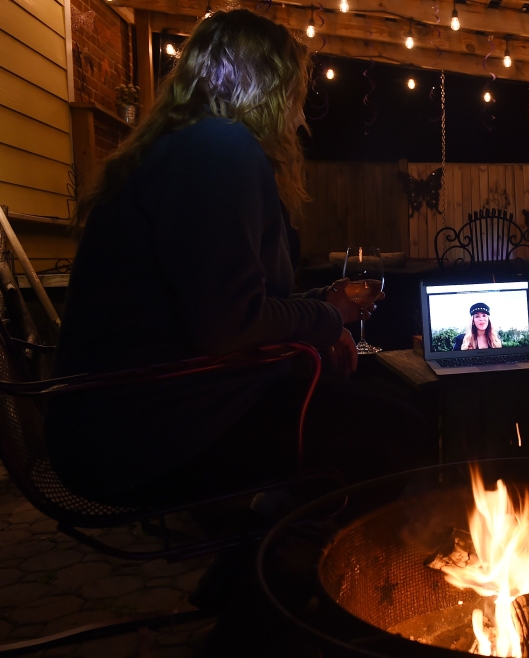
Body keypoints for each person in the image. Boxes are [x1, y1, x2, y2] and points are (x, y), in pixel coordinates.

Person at [45, 9, 434, 507]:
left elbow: (220, 303)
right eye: (296, 92)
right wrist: (327, 316)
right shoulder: (219, 146)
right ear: (267, 88)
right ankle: (266, 572)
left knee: (366, 407)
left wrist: (320, 306)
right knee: (395, 429)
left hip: (127, 417)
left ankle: (269, 546)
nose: (300, 115)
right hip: (147, 432)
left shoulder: (183, 148)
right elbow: (227, 325)